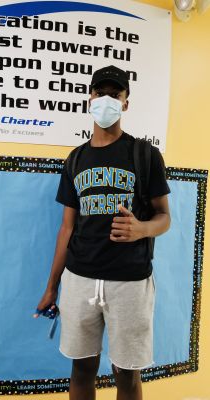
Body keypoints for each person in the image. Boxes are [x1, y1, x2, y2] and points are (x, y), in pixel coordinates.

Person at [34, 65, 171, 400]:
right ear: (90, 98)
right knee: (81, 369)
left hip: (130, 281)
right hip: (79, 278)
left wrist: (142, 229)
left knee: (127, 374)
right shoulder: (76, 159)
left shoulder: (145, 154)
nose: (106, 100)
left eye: (116, 94)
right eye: (101, 93)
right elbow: (67, 228)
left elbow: (164, 218)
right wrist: (52, 286)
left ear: (125, 103)